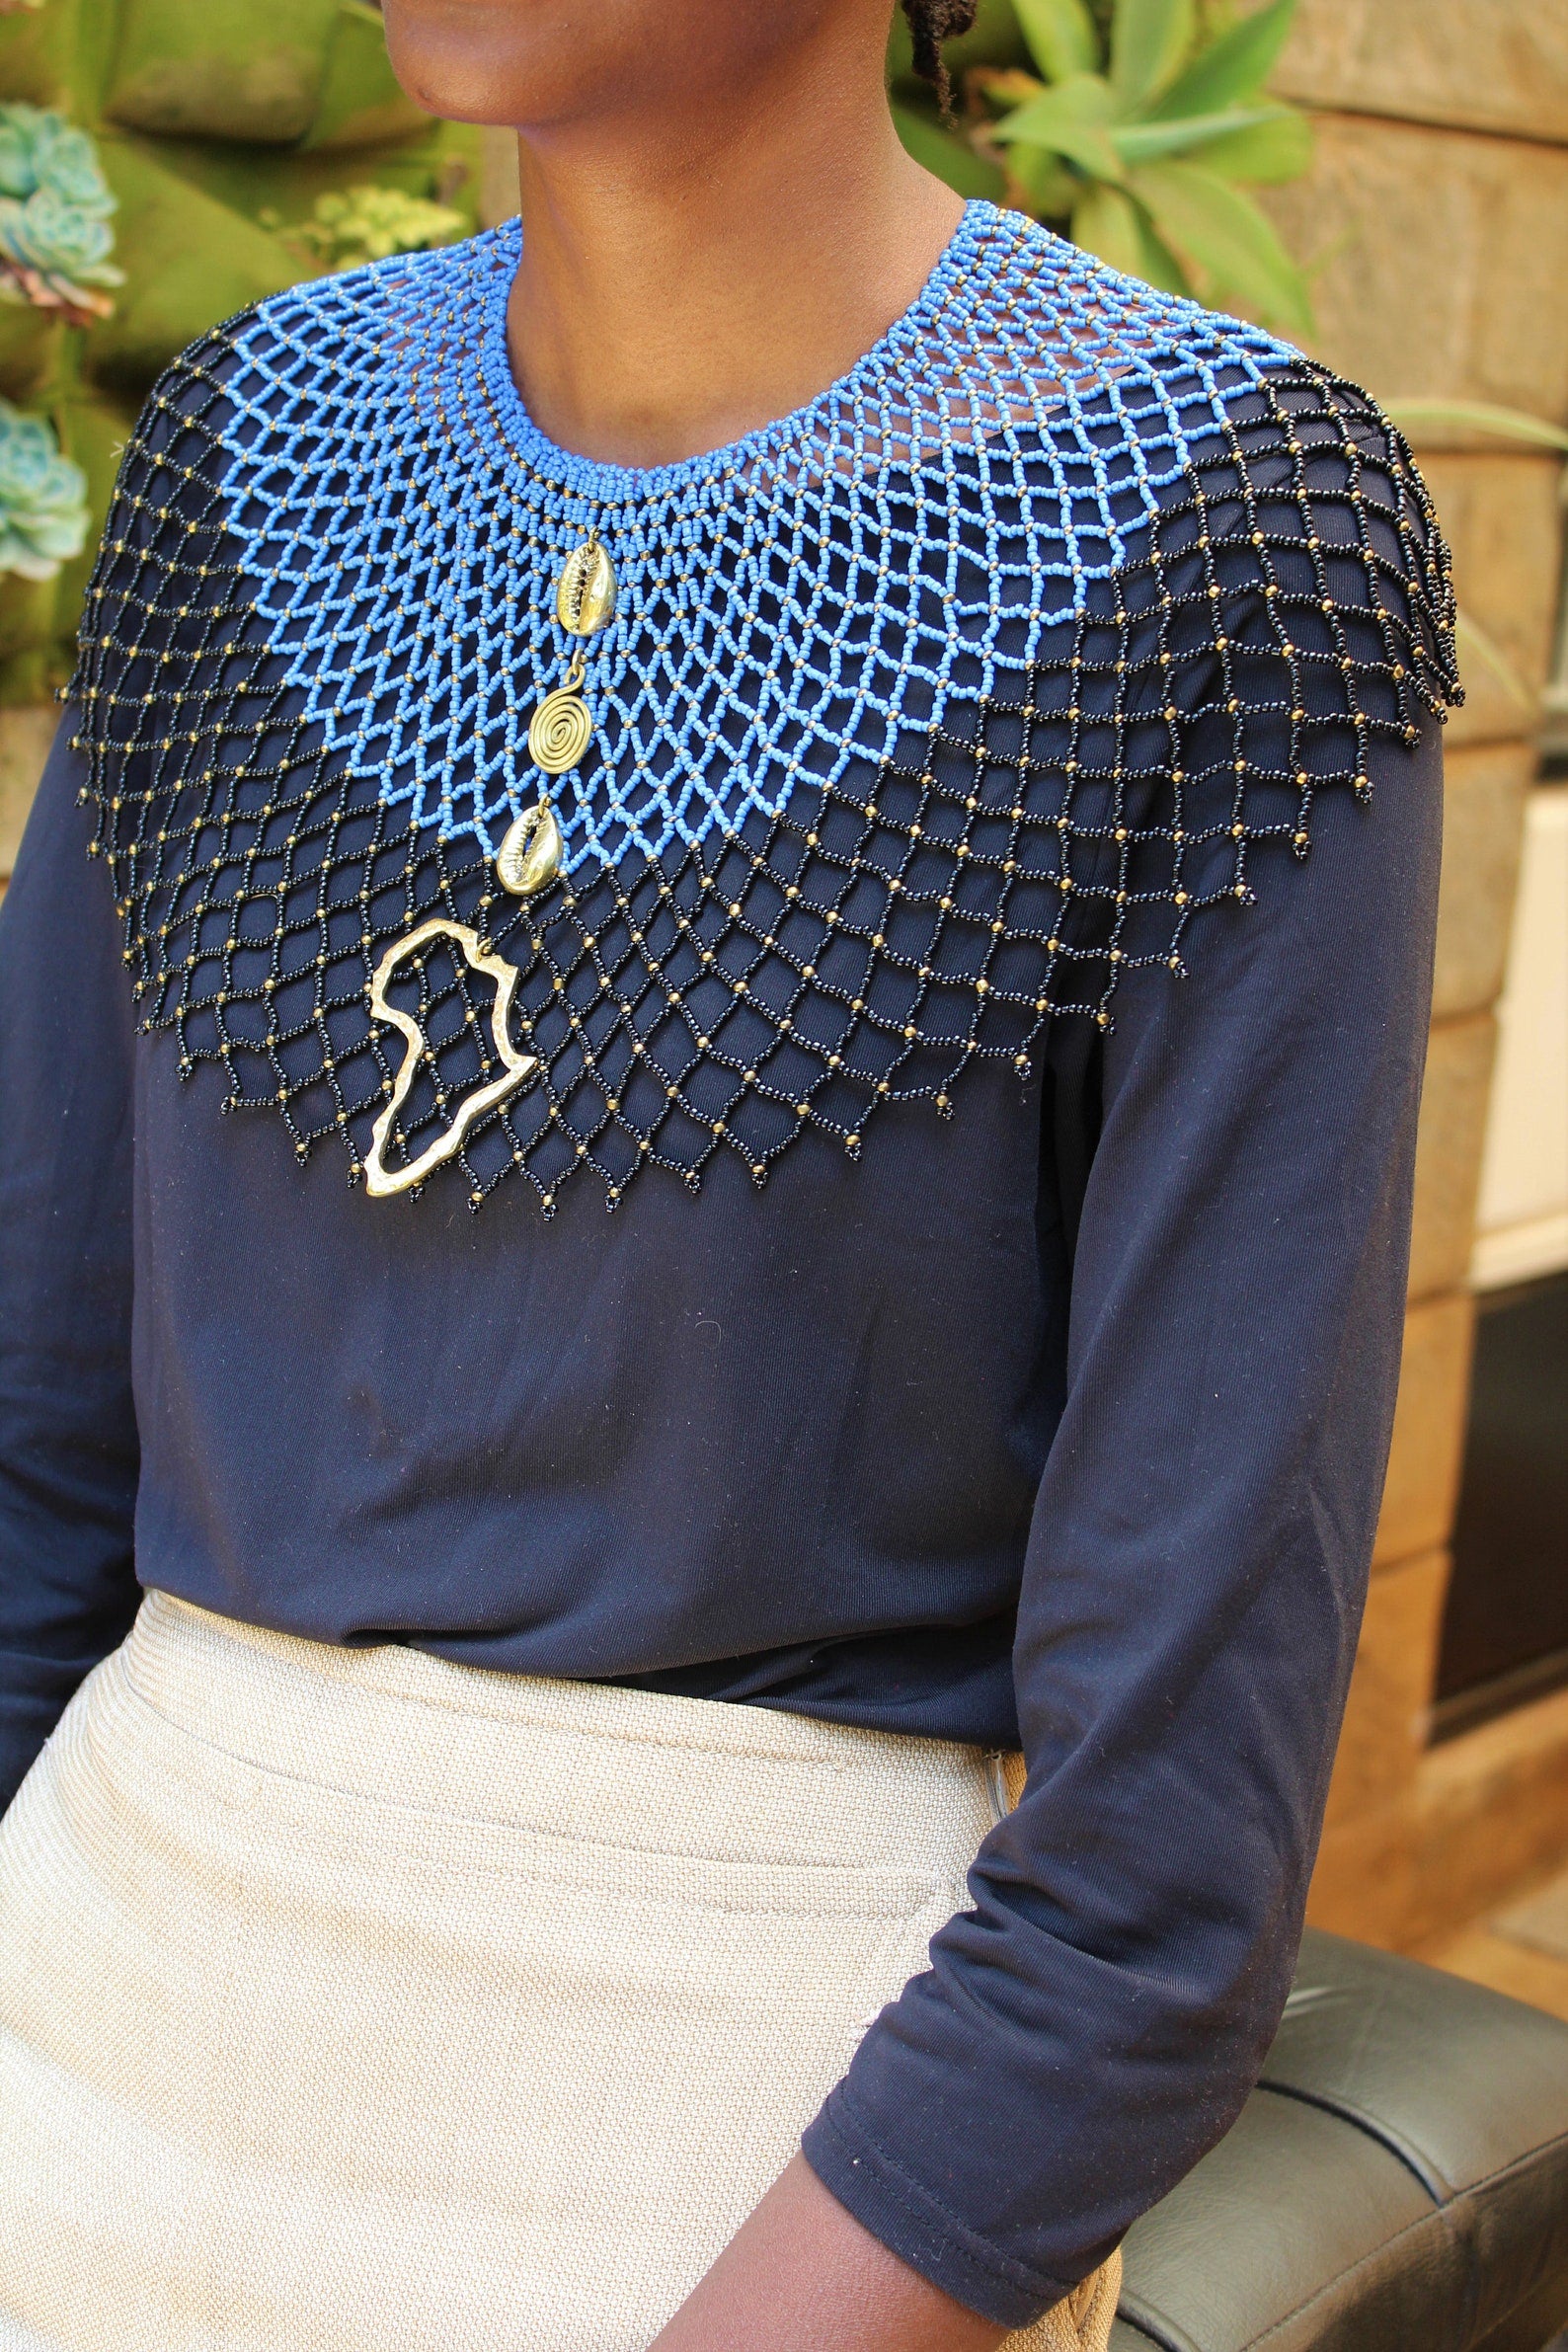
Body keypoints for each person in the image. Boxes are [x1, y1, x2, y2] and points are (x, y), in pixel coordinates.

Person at [0, 0, 1458, 2345]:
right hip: (77, 2010)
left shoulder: (1223, 536)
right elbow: (26, 1479)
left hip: (741, 2166)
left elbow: (1156, 1878)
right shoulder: (233, 458)